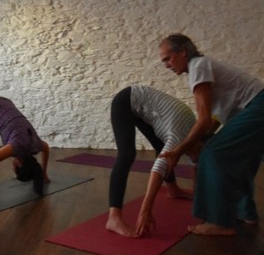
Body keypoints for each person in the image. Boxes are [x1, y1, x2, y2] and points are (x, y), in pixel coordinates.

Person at [158, 33, 264, 236]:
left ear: (183, 52)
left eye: (167, 58)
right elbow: (213, 120)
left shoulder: (198, 65)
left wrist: (179, 150)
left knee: (212, 153)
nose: (166, 65)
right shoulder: (201, 68)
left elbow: (204, 119)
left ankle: (219, 222)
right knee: (240, 160)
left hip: (258, 108)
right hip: (254, 111)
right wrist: (198, 140)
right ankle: (246, 213)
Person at [106, 85, 199, 238]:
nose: (192, 160)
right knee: (127, 154)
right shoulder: (179, 136)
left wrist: (199, 195)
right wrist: (145, 211)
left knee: (161, 146)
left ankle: (173, 189)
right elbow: (159, 167)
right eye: (194, 157)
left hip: (145, 107)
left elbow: (196, 163)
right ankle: (113, 218)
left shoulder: (195, 134)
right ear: (199, 144)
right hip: (126, 100)